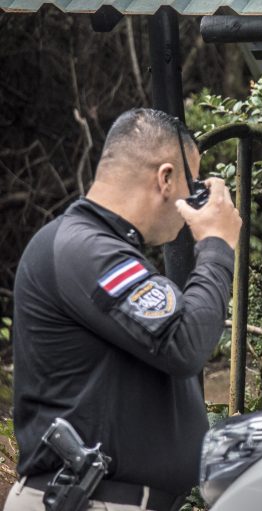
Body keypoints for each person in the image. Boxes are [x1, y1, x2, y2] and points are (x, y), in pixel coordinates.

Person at [4, 108, 242, 511]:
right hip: (87, 500)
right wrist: (217, 245)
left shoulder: (99, 249)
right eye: (192, 185)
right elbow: (184, 342)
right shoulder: (86, 249)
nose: (193, 200)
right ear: (165, 178)